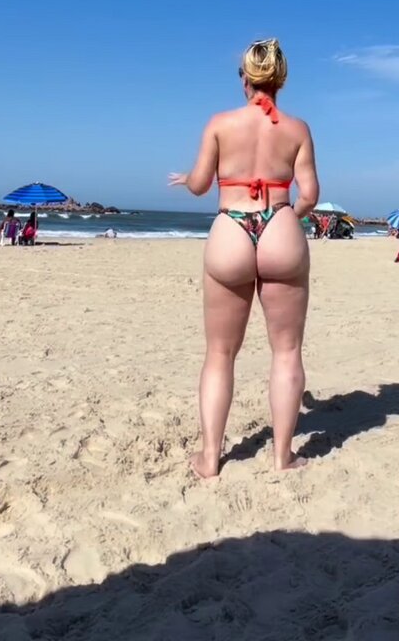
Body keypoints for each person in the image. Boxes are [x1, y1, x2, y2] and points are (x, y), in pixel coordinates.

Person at [168, 38, 319, 478]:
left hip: (231, 228)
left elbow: (201, 184)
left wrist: (187, 179)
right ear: (281, 80)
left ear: (244, 79)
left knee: (220, 353)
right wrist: (286, 217)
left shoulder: (220, 123)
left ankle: (209, 458)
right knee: (286, 351)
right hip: (280, 228)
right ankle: (282, 456)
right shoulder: (298, 129)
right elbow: (310, 195)